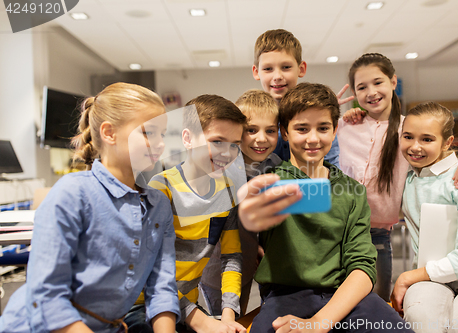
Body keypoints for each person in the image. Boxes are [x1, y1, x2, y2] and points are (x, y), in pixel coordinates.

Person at [0, 82, 179, 333]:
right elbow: (47, 297)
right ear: (109, 133)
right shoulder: (73, 193)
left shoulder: (158, 205)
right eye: (149, 133)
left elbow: (162, 289)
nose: (160, 143)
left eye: (163, 133)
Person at [250, 82, 414, 333]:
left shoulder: (352, 191)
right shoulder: (269, 183)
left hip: (347, 297)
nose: (313, 138)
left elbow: (361, 266)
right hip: (285, 297)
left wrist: (319, 323)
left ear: (335, 129)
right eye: (302, 129)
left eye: (323, 128)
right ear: (284, 132)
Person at [337, 53, 458, 301]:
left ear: (393, 82)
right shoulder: (345, 126)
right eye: (362, 87)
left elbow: (438, 158)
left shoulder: (409, 130)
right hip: (338, 231)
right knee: (336, 301)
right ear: (355, 92)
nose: (371, 92)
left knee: (378, 303)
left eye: (378, 82)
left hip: (377, 235)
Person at [391, 101, 458, 333]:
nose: (415, 147)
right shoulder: (409, 174)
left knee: (457, 329)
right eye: (408, 136)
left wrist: (407, 277)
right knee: (423, 324)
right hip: (431, 281)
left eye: (427, 139)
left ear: (447, 142)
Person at [148, 95, 247, 333]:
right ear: (187, 138)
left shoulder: (228, 191)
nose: (227, 153)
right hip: (148, 305)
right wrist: (201, 322)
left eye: (234, 144)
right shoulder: (161, 188)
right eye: (217, 141)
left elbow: (231, 257)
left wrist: (227, 316)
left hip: (186, 308)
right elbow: (148, 270)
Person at [199, 89, 281, 317]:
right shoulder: (219, 167)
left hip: (256, 262)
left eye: (270, 131)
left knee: (249, 317)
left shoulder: (275, 164)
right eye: (251, 130)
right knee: (224, 315)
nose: (261, 138)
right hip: (218, 267)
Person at [251, 28, 353, 167]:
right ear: (256, 72)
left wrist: (326, 111)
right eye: (268, 69)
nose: (277, 77)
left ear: (301, 69)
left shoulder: (320, 117)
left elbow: (332, 167)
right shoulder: (250, 117)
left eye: (286, 67)